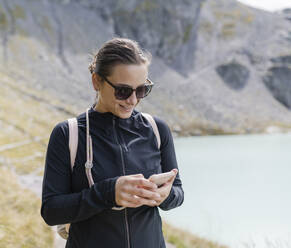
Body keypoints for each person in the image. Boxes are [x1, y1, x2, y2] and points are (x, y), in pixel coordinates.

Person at [41, 37, 184, 248]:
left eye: (142, 90)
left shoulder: (157, 129)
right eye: (123, 91)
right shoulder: (67, 134)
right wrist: (108, 193)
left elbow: (178, 193)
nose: (133, 100)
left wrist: (165, 195)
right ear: (96, 81)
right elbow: (51, 211)